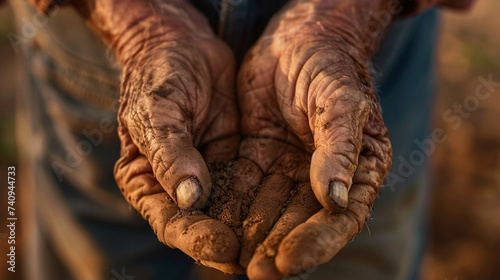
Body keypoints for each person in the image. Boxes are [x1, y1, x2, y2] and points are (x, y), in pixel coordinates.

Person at [10, 0, 474, 279]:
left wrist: (345, 18)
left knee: (356, 246)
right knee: (98, 259)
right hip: (101, 40)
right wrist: (138, 24)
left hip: (363, 49)